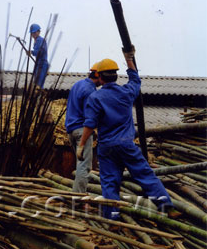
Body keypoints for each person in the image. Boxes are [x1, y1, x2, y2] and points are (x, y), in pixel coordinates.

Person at [77, 48, 180, 220]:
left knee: (109, 184)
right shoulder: (126, 93)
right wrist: (129, 59)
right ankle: (167, 207)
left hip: (107, 148)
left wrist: (81, 145)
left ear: (100, 78)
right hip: (126, 144)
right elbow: (135, 79)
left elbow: (90, 124)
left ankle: (113, 219)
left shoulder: (95, 98)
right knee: (145, 175)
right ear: (116, 76)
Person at [65, 63, 101, 194]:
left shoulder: (77, 84)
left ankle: (79, 193)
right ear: (98, 75)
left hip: (71, 129)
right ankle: (78, 197)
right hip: (82, 131)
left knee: (79, 164)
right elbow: (89, 118)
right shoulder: (91, 91)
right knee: (84, 166)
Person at [29, 23, 48, 89]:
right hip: (38, 64)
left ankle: (39, 97)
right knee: (36, 84)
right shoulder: (36, 41)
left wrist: (32, 52)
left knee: (38, 85)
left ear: (38, 32)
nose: (33, 34)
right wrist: (32, 52)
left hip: (42, 64)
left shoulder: (40, 40)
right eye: (32, 33)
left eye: (35, 32)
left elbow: (40, 52)